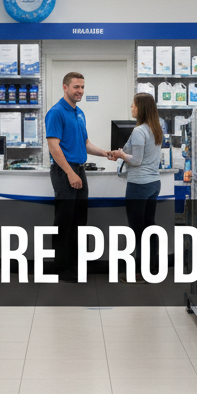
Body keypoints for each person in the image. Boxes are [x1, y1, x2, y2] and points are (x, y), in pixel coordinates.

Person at [45, 71, 110, 282]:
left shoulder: (79, 112)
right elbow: (54, 147)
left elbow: (85, 143)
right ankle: (61, 268)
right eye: (76, 87)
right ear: (65, 87)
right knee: (64, 221)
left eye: (82, 87)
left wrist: (105, 153)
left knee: (79, 220)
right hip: (65, 172)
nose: (80, 91)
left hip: (79, 170)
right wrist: (70, 173)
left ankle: (75, 264)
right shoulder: (56, 113)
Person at [108, 92, 163, 278]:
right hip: (154, 183)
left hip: (139, 184)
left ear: (141, 108)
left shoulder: (139, 131)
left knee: (138, 229)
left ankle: (140, 271)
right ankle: (152, 268)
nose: (131, 108)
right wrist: (122, 153)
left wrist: (122, 155)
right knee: (150, 226)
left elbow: (137, 161)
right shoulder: (155, 128)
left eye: (133, 105)